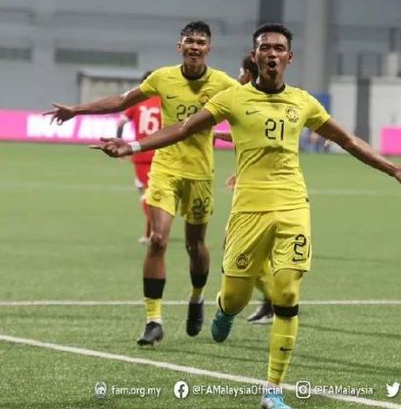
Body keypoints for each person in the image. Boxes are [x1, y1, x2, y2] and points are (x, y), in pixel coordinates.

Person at [90, 23, 401, 409]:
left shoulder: (303, 102)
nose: (271, 53)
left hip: (292, 204)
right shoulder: (232, 99)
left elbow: (347, 140)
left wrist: (392, 168)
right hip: (249, 208)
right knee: (235, 296)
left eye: (278, 48)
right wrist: (131, 145)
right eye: (264, 47)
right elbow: (184, 128)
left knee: (286, 291)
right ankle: (223, 308)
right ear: (255, 56)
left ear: (289, 57)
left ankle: (273, 388)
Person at [46, 21, 239, 345]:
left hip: (200, 174)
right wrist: (76, 110)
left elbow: (247, 116)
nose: (194, 46)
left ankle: (196, 297)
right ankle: (153, 319)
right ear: (180, 46)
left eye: (200, 42)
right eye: (189, 41)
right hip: (164, 167)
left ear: (209, 48)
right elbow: (123, 101)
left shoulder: (223, 83)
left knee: (195, 246)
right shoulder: (162, 78)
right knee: (158, 240)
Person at [218, 55, 274, 325]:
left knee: (236, 246)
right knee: (237, 246)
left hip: (268, 190)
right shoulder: (245, 98)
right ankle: (269, 300)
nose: (238, 76)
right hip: (251, 184)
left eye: (241, 72)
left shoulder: (254, 100)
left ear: (249, 74)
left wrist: (212, 134)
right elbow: (249, 139)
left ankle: (274, 298)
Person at [116, 71, 161, 245]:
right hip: (161, 154)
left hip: (141, 154)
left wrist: (120, 143)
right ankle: (151, 232)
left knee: (145, 195)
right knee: (156, 195)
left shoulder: (137, 102)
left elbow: (120, 123)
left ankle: (154, 232)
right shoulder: (164, 102)